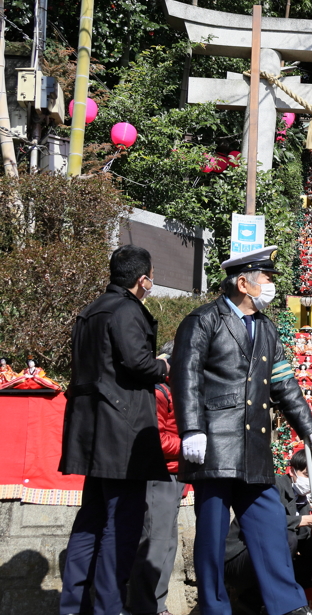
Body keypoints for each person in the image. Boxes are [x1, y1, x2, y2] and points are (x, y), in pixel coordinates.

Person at [171, 245, 312, 615]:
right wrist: (192, 428)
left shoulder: (267, 328)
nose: (271, 285)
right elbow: (184, 376)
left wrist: (308, 425)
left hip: (254, 443)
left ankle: (287, 605)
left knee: (269, 527)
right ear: (243, 283)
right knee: (211, 534)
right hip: (215, 442)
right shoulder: (204, 319)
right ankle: (214, 607)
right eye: (266, 278)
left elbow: (284, 383)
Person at [59, 245, 171, 615]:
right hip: (121, 430)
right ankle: (109, 606)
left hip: (89, 429)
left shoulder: (89, 311)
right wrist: (165, 365)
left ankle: (73, 605)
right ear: (143, 280)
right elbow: (138, 363)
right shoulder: (126, 310)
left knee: (90, 520)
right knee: (121, 524)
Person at [224, 449, 312, 615]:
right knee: (287, 537)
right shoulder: (272, 487)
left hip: (268, 562)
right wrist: (306, 520)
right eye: (307, 475)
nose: (311, 482)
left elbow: (306, 549)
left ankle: (251, 600)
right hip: (239, 558)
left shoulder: (303, 502)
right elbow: (265, 522)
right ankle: (282, 605)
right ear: (292, 470)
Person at [128, 341, 186, 615]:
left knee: (167, 544)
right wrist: (189, 446)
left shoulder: (176, 391)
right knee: (155, 542)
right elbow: (156, 440)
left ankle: (156, 605)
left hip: (175, 474)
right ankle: (144, 606)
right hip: (159, 474)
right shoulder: (159, 391)